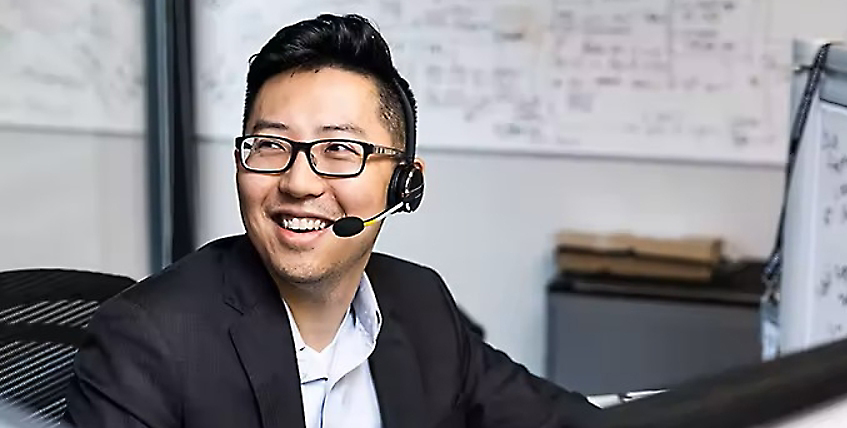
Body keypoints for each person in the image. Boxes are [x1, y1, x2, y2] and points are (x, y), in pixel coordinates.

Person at [63, 13, 597, 428]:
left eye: (340, 150)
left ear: (406, 181)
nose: (298, 182)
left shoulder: (419, 303)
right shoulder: (148, 340)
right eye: (271, 146)